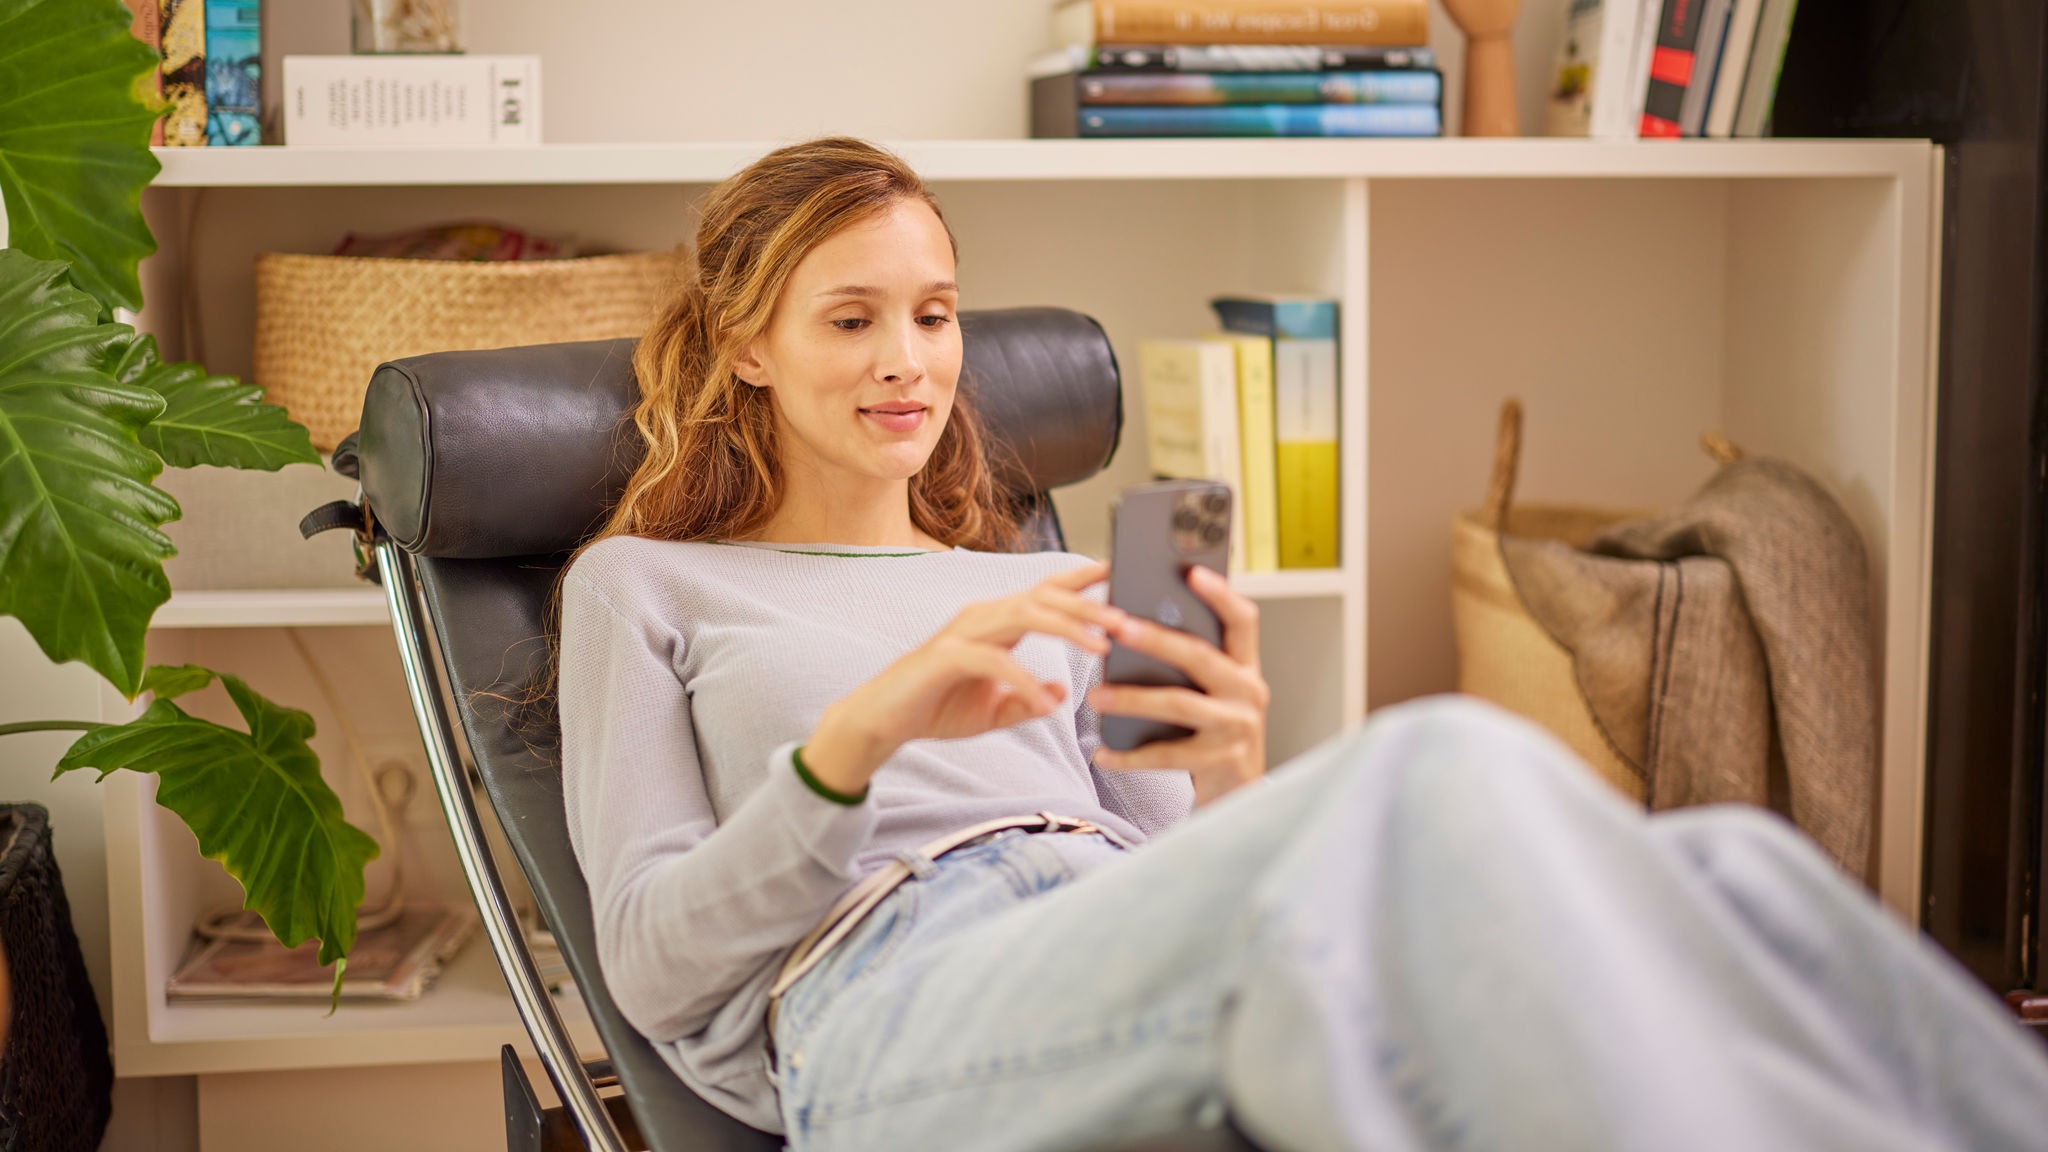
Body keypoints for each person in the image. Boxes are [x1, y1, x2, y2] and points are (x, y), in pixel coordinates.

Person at [549, 136, 2048, 1152]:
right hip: (883, 999)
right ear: (748, 343)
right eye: (852, 318)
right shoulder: (649, 587)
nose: (907, 361)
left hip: (1098, 924)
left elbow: (1150, 876)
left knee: (1731, 870)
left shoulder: (1042, 577)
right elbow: (656, 962)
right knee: (1443, 759)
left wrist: (1232, 756)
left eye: (935, 315)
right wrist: (860, 738)